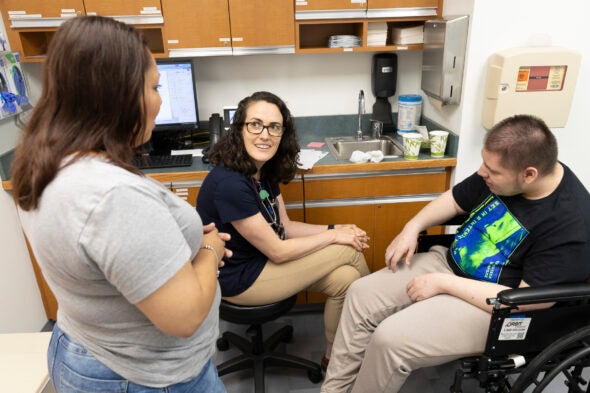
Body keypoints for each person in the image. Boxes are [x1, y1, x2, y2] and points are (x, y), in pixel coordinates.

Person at [11, 16, 228, 392]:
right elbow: (185, 315)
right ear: (119, 94)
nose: (160, 101)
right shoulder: (111, 196)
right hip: (143, 374)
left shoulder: (45, 161)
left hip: (86, 345)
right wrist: (209, 248)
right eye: (154, 87)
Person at [321, 114, 590, 392]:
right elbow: (455, 199)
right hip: (447, 263)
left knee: (390, 340)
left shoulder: (571, 223)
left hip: (495, 306)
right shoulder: (504, 173)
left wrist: (443, 283)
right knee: (360, 294)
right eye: (484, 164)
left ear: (529, 174)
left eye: (492, 171)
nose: (482, 173)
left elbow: (527, 302)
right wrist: (411, 227)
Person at [196, 91, 371, 369]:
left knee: (346, 278)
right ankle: (375, 330)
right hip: (239, 279)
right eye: (255, 124)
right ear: (239, 129)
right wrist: (336, 236)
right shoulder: (230, 183)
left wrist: (333, 226)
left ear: (282, 134)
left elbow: (285, 228)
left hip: (261, 262)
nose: (265, 134)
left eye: (274, 127)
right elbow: (278, 250)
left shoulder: (261, 172)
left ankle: (335, 356)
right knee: (347, 251)